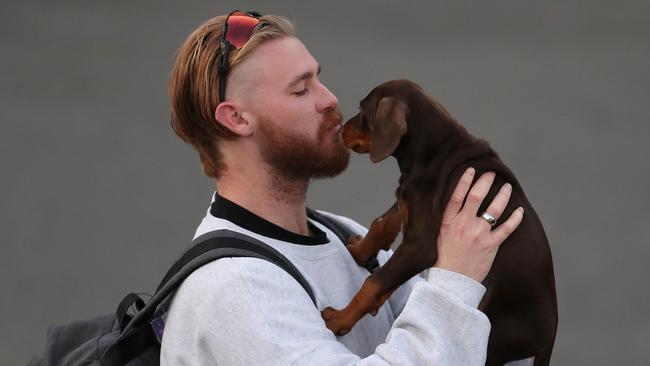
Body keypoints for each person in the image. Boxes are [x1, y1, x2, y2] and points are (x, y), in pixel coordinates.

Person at [160, 11, 524, 365]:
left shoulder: (343, 237)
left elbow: (461, 347)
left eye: (319, 79)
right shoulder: (236, 287)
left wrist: (494, 266)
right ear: (237, 118)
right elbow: (447, 319)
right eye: (301, 90)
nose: (330, 99)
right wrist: (456, 282)